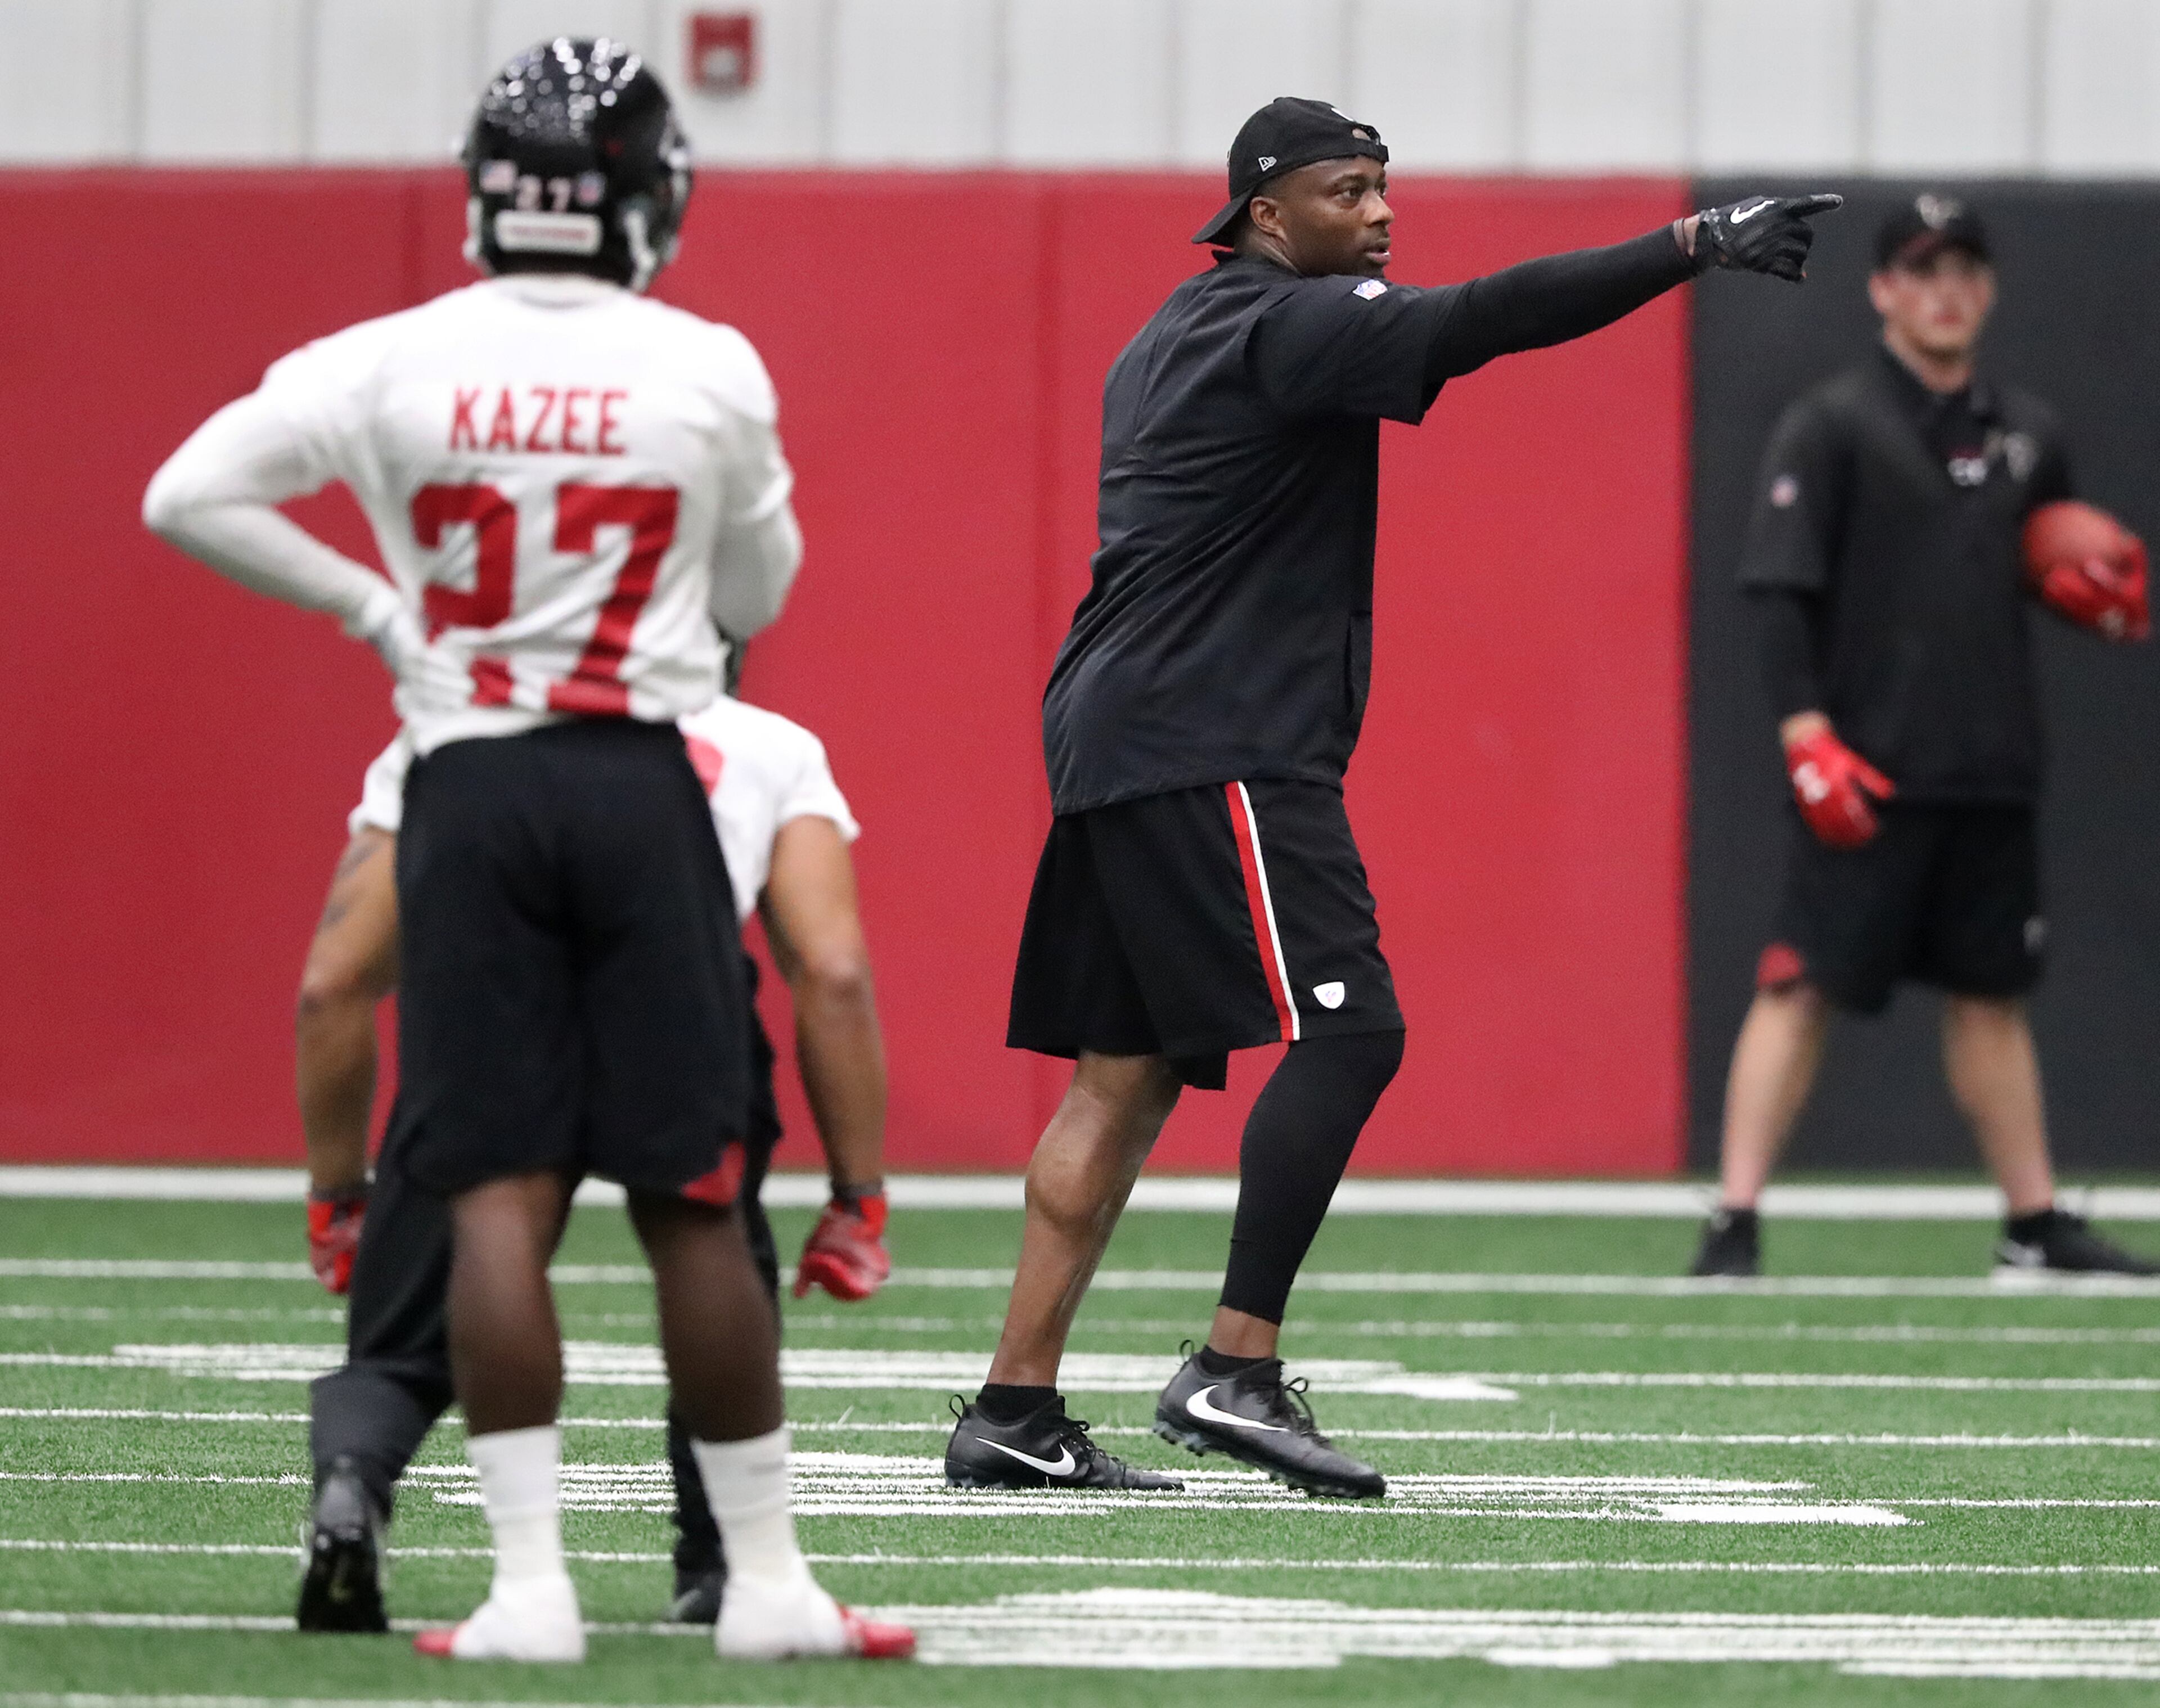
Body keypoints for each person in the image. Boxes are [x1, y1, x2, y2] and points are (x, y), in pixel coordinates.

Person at [943, 95, 1840, 1502]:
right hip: (1212, 734)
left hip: (1120, 729)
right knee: (1355, 1035)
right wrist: (1689, 242)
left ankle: (1013, 1404)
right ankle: (1234, 1367)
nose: (1378, 213)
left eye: (1382, 187)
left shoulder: (1165, 334)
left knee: (1120, 1079)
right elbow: (1479, 319)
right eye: (1347, 190)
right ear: (1263, 214)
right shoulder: (1285, 324)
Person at [144, 37, 909, 1664]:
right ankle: (766, 1586)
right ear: (647, 195)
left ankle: (529, 1591)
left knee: (494, 1190)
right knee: (698, 1195)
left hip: (469, 775)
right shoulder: (704, 364)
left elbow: (188, 491)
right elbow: (759, 598)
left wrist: (375, 605)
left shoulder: (390, 358)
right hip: (644, 771)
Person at [295, 691, 893, 1634]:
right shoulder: (764, 743)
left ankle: (364, 1488)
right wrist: (858, 1190)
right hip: (675, 999)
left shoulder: (445, 733)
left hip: (494, 1006)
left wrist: (337, 1189)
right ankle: (732, 1562)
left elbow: (333, 983)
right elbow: (833, 969)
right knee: (710, 1247)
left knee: (443, 1281)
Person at [1690, 195, 2156, 1280]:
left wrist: (2089, 594)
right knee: (1799, 986)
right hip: (1868, 764)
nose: (1946, 290)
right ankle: (1734, 1221)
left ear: (1987, 288)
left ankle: (2032, 1225)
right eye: (1923, 269)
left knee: (1992, 997)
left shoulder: (2029, 432)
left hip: (1989, 762)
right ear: (1883, 288)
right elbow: (1777, 588)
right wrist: (1806, 733)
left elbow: (2048, 568)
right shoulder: (1834, 422)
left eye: (1964, 270)